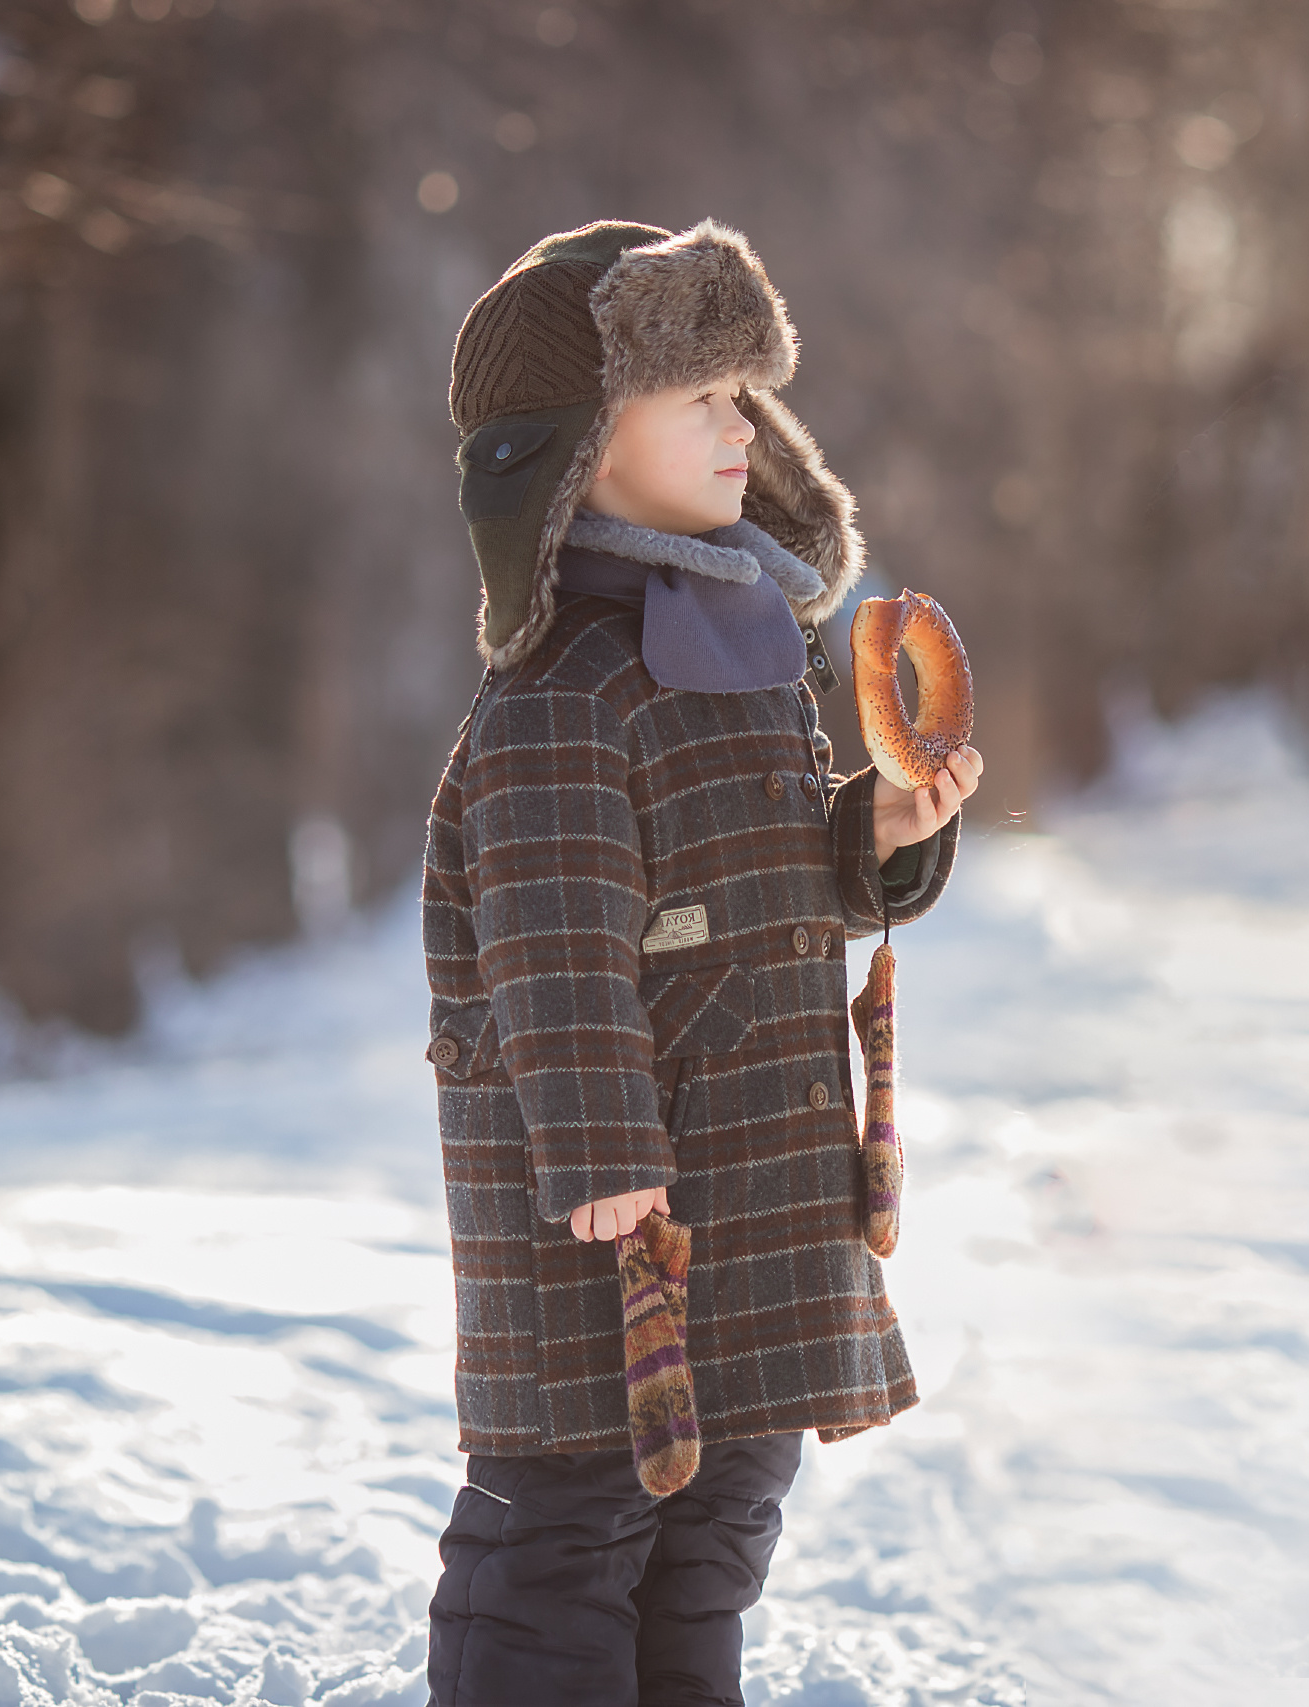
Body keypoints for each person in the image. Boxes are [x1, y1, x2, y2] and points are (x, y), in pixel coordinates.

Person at [419, 219, 980, 1707]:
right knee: (570, 1523)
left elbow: (773, 870)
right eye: (705, 400)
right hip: (614, 1210)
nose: (749, 429)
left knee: (726, 1504)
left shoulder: (744, 643)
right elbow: (549, 938)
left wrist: (887, 829)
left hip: (751, 1175)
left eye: (749, 396)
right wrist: (603, 1147)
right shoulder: (563, 691)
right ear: (587, 445)